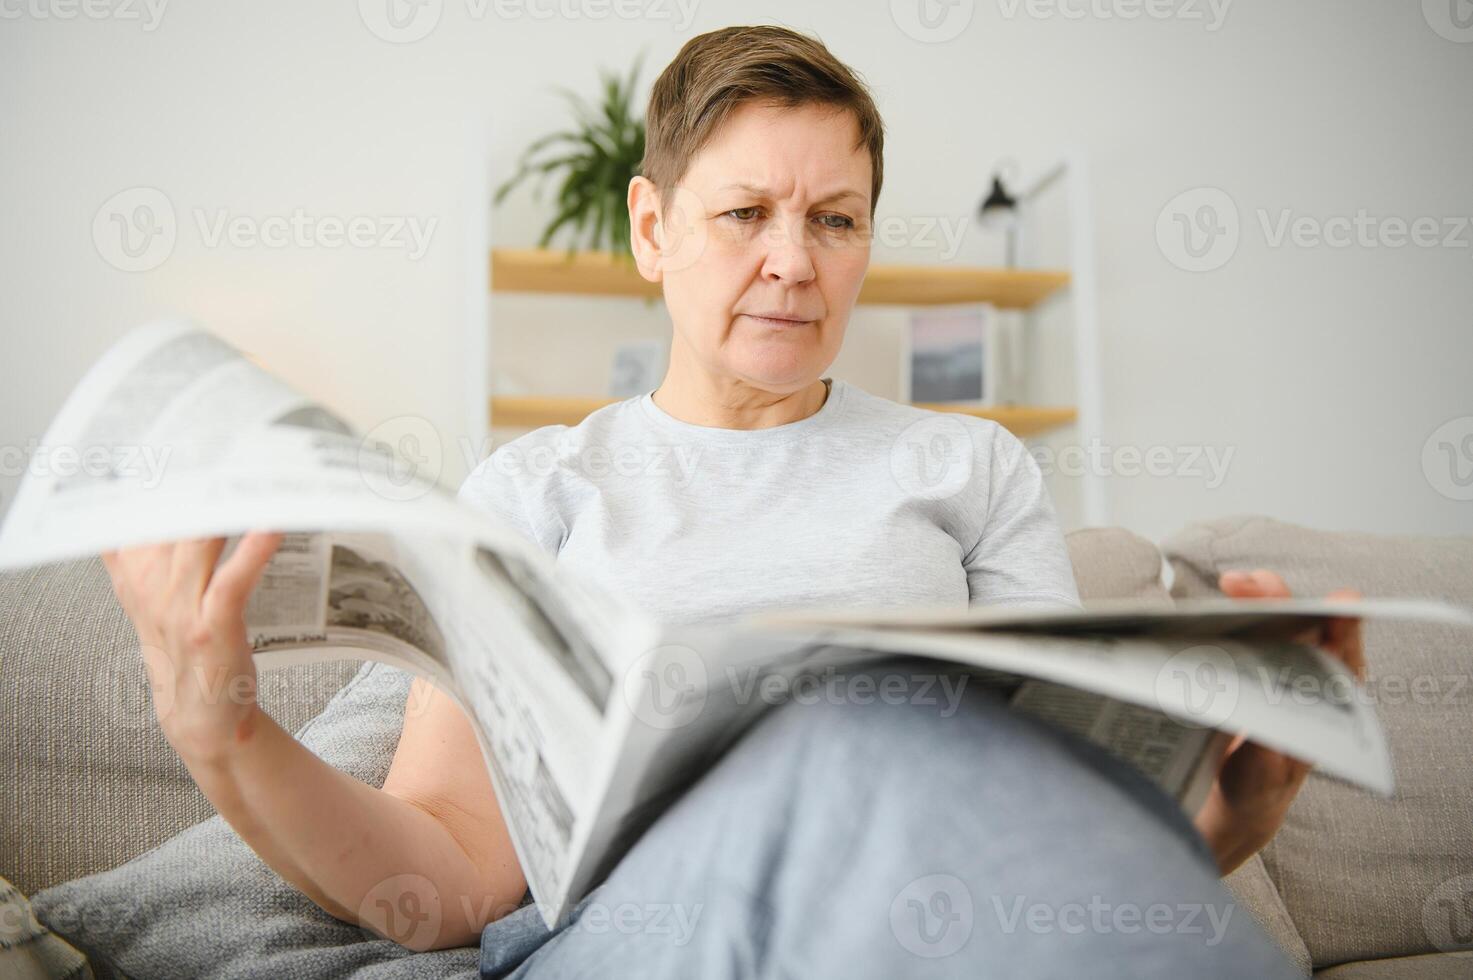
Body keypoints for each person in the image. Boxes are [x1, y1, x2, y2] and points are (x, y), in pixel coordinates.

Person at [100, 24, 1364, 978]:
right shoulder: (540, 489)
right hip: (626, 939)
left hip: (917, 921)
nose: (793, 261)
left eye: (836, 217)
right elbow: (449, 870)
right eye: (747, 212)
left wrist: (1225, 816)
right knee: (852, 744)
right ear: (650, 228)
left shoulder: (973, 470)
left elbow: (1044, 858)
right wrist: (224, 733)